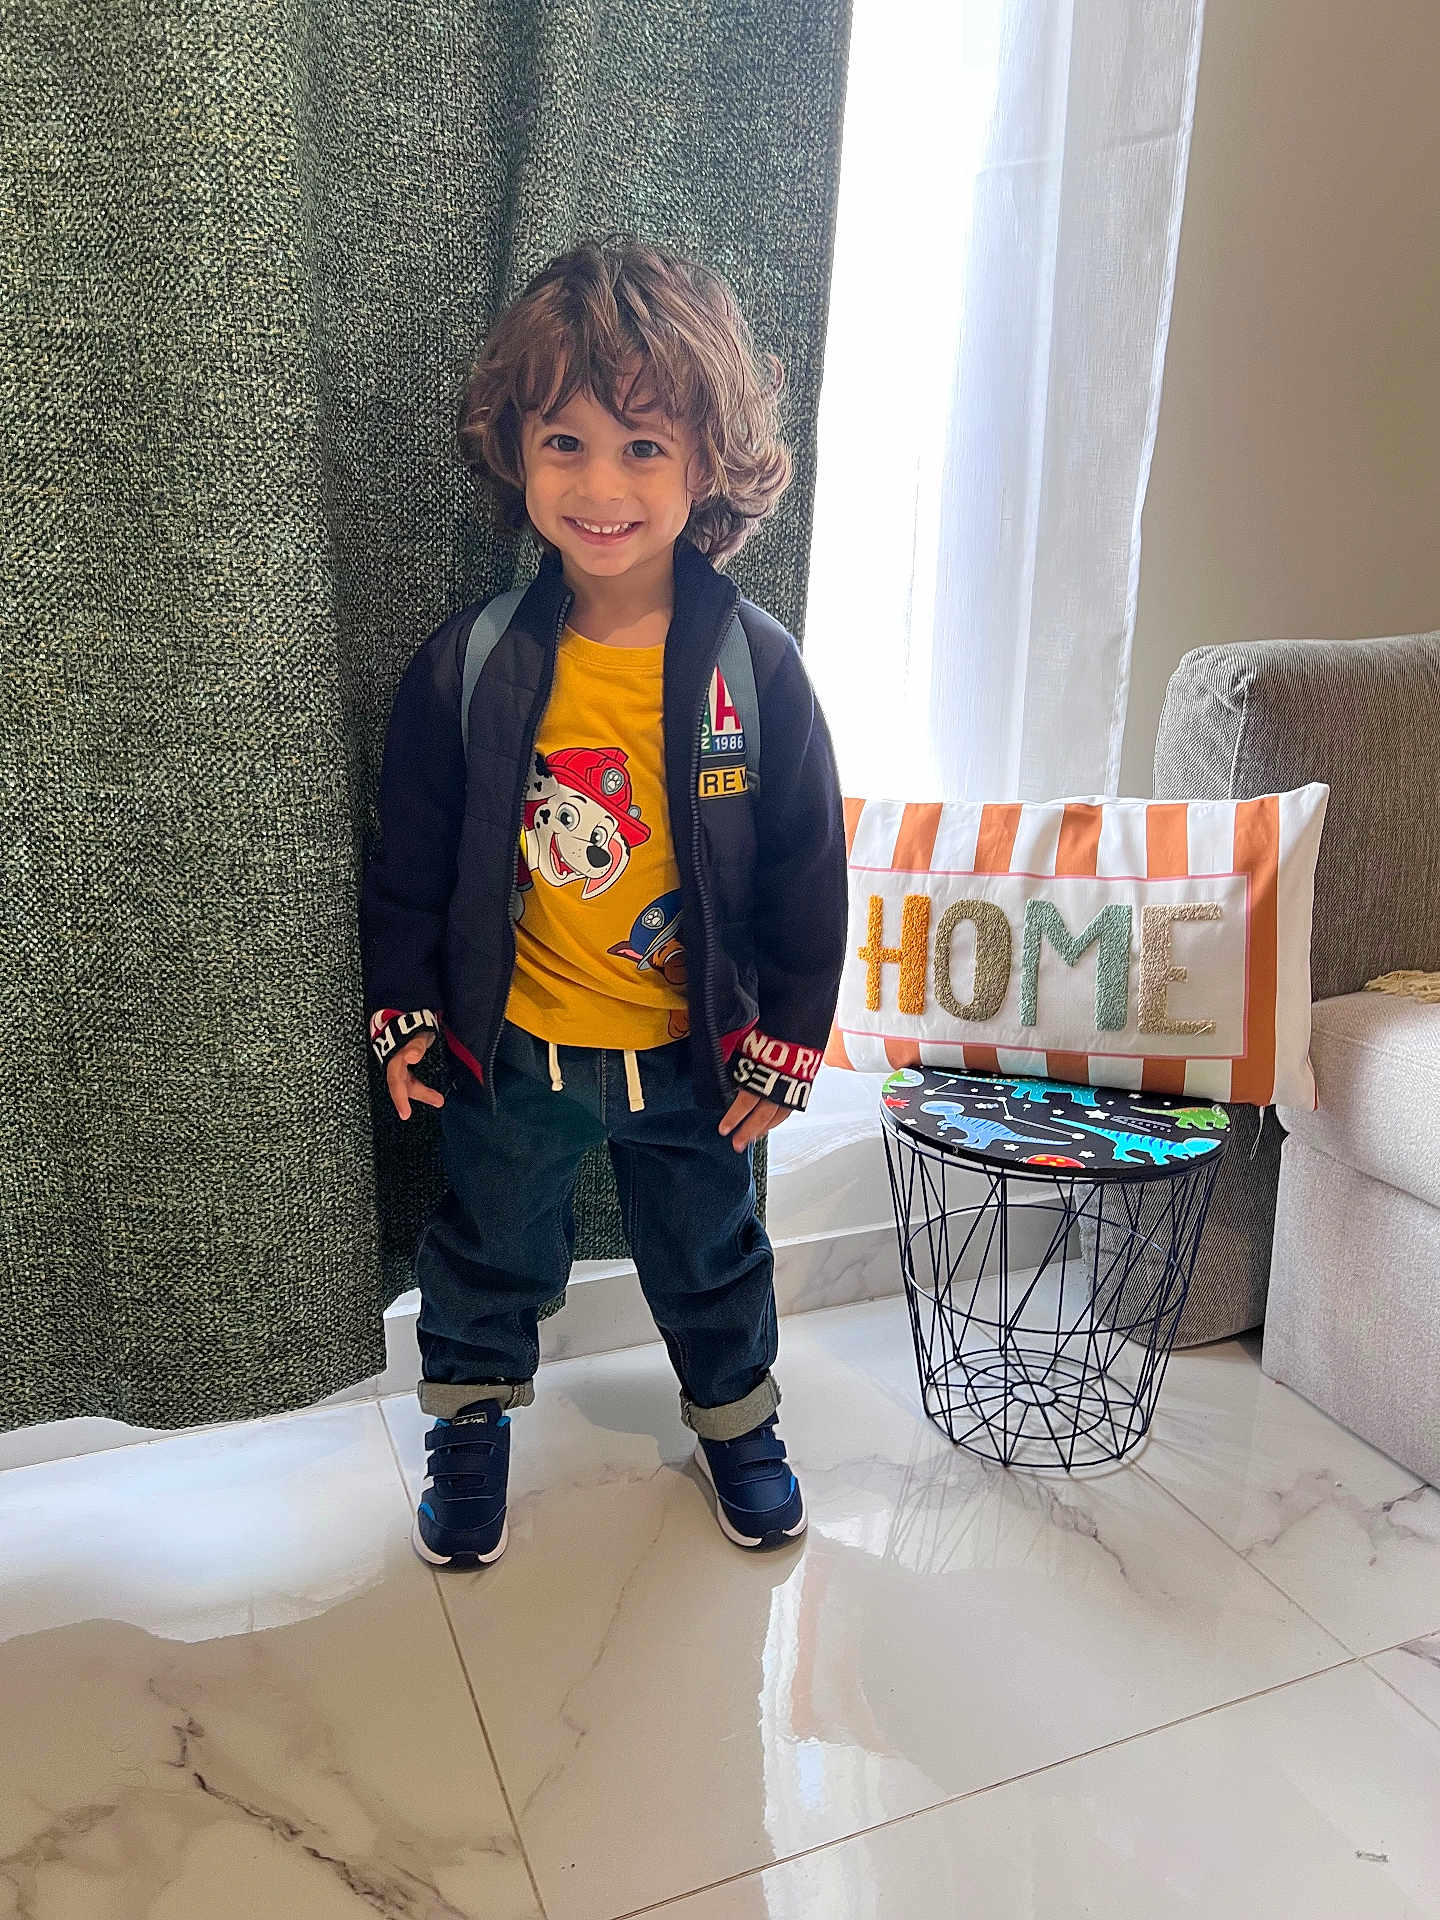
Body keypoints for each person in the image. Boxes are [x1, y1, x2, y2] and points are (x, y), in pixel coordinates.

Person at [360, 234, 848, 1568]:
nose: (602, 485)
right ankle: (468, 1427)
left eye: (643, 447)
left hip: (695, 1058)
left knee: (711, 1254)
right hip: (513, 1048)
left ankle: (738, 1423)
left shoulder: (754, 667)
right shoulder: (470, 664)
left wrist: (789, 1039)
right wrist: (406, 1010)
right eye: (565, 443)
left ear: (707, 462)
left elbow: (808, 870)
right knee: (484, 1250)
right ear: (517, 454)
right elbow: (410, 864)